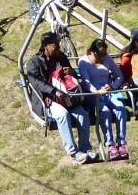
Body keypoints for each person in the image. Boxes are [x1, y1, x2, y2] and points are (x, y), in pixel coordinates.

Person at [26, 32, 96, 164]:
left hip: (67, 97)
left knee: (82, 114)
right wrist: (54, 91)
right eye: (55, 45)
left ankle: (85, 149)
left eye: (59, 45)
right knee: (62, 114)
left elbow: (72, 74)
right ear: (45, 46)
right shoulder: (34, 62)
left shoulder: (61, 57)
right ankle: (73, 152)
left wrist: (70, 72)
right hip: (48, 100)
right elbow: (36, 82)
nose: (59, 48)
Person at [78, 39, 128, 160]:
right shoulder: (83, 62)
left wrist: (112, 86)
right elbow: (86, 82)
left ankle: (121, 143)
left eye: (105, 54)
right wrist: (97, 92)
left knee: (121, 109)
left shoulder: (106, 59)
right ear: (93, 53)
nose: (103, 57)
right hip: (95, 95)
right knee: (105, 112)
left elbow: (119, 76)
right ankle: (110, 145)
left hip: (109, 92)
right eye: (100, 55)